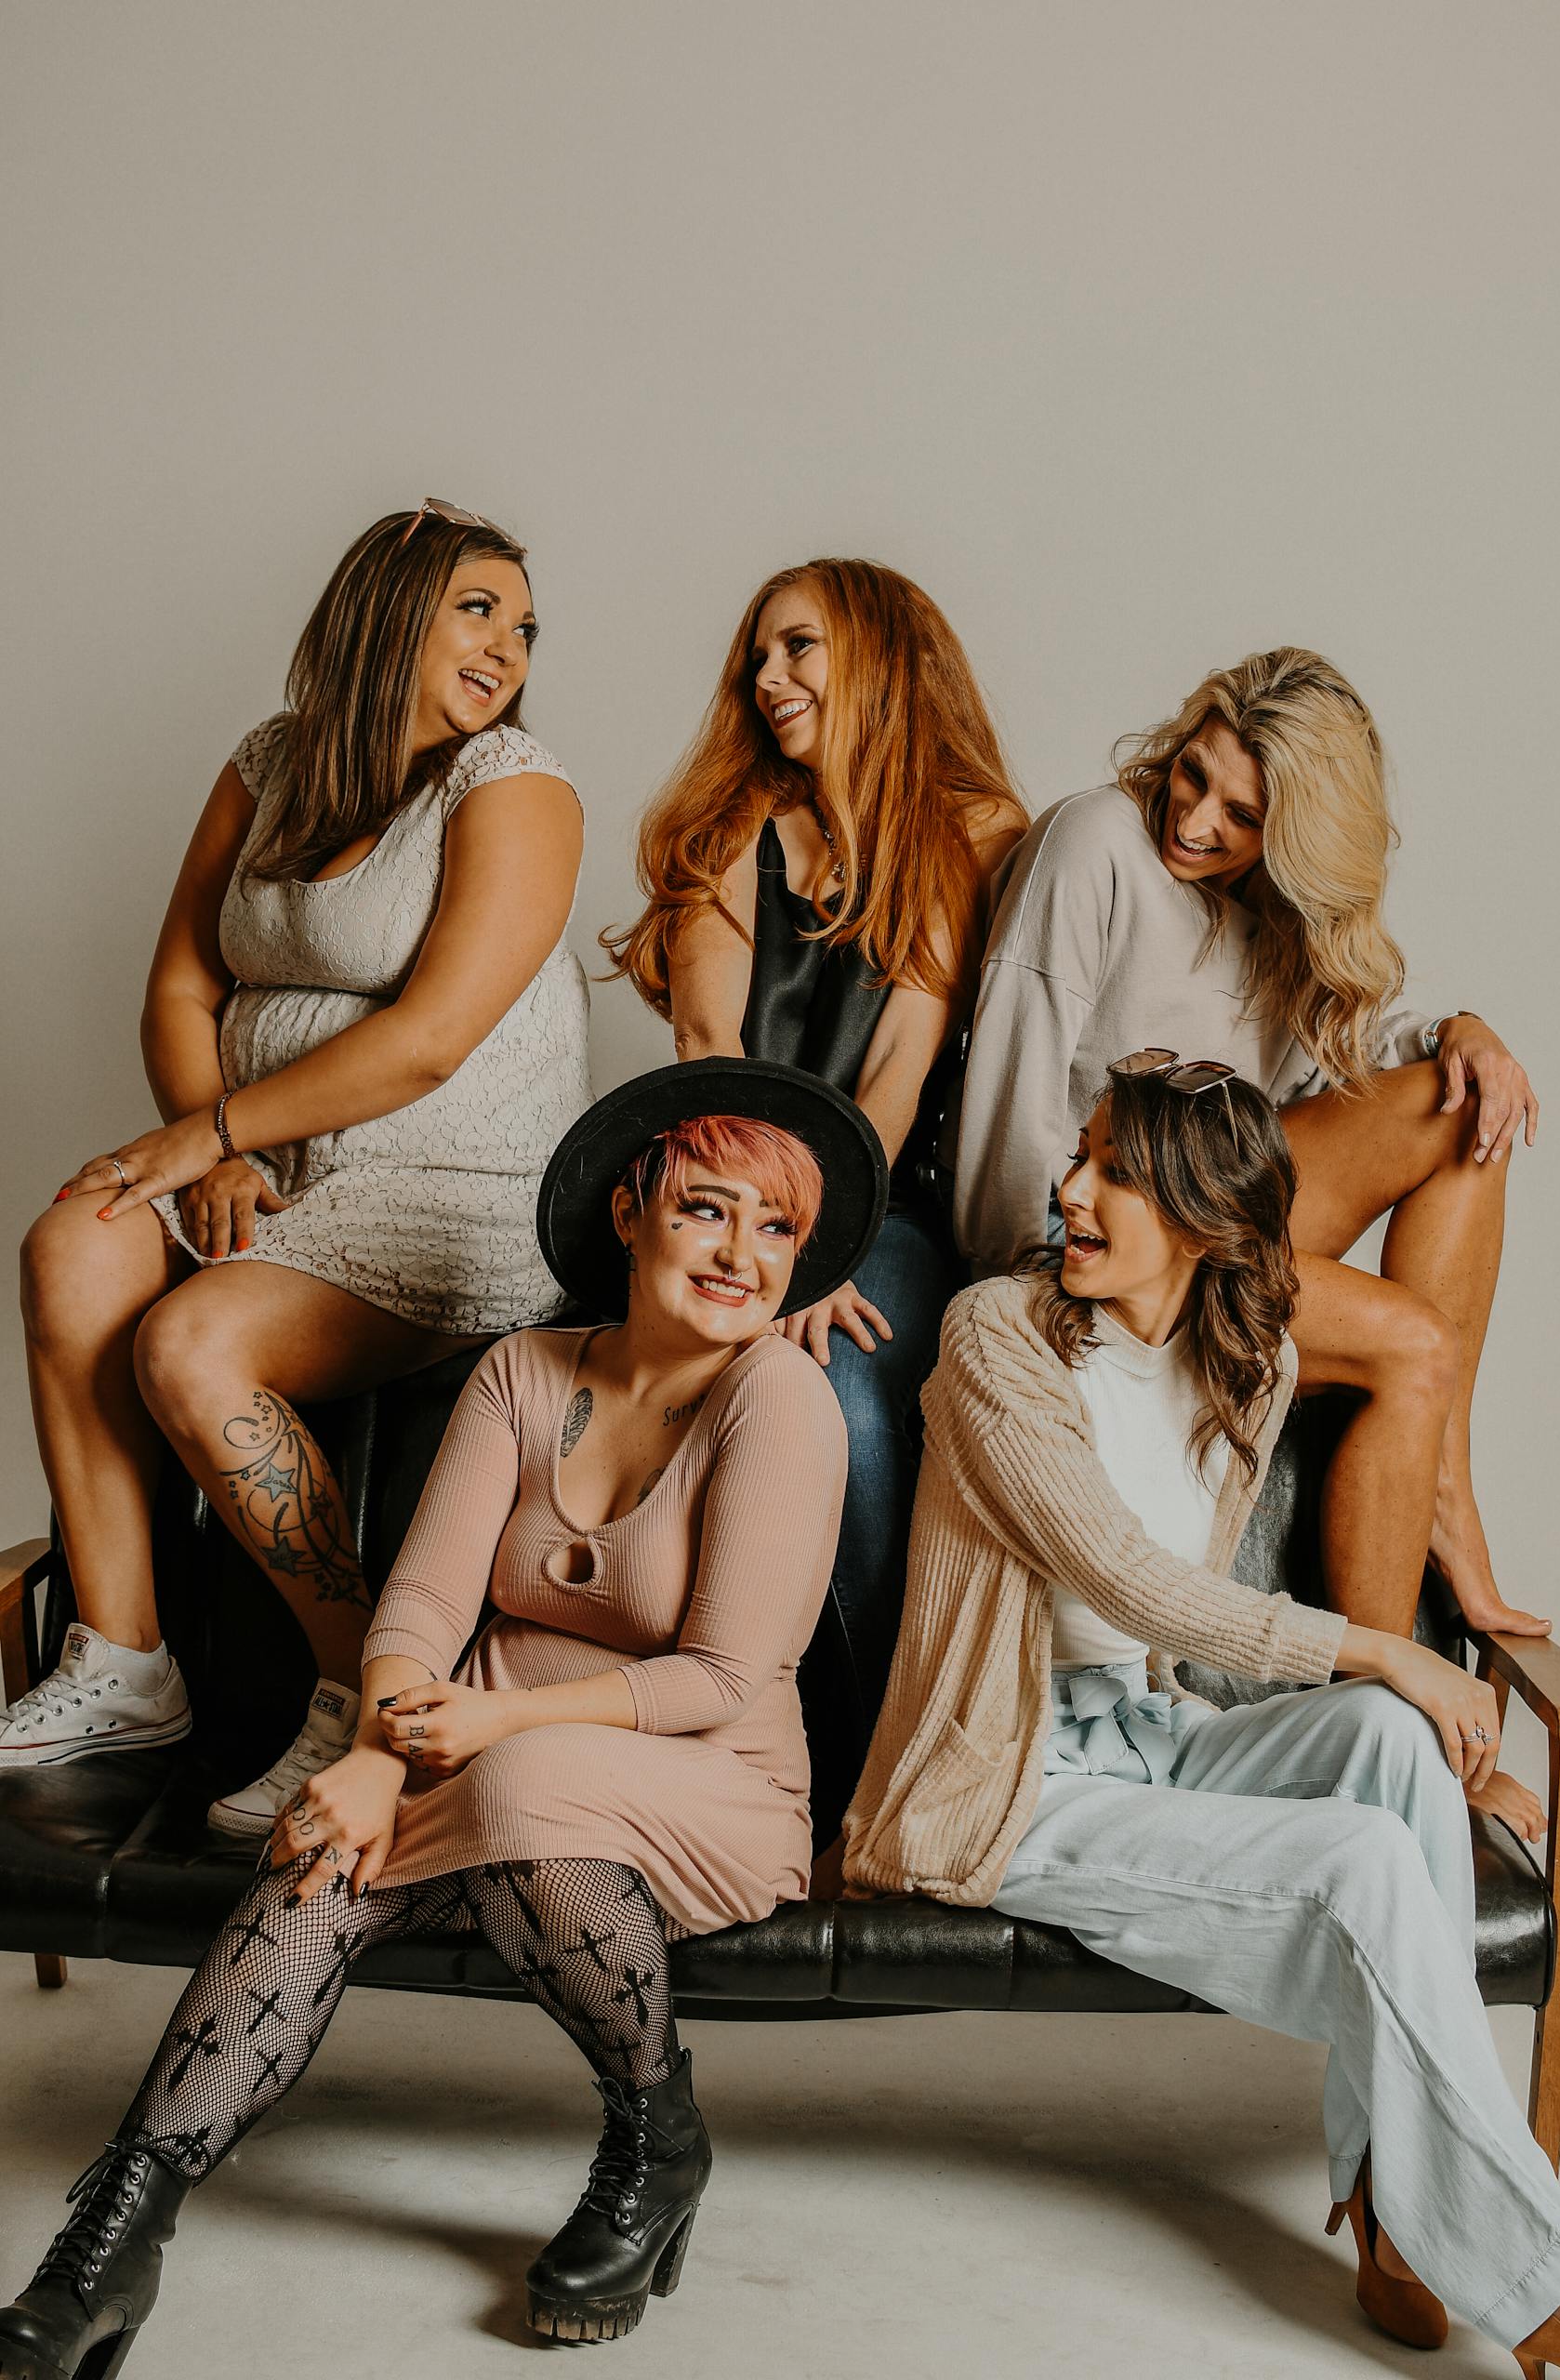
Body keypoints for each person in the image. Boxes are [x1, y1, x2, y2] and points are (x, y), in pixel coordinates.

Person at [0, 1062, 882, 2370]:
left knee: (521, 1803)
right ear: (631, 1210)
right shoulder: (522, 1373)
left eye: (775, 1231)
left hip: (704, 1780)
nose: (740, 1255)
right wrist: (368, 1760)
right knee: (317, 1857)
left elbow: (722, 1680)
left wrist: (486, 1732)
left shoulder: (778, 1401)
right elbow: (413, 1617)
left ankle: (654, 2137)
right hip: (476, 1753)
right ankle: (113, 2239)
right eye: (707, 1209)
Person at [846, 1057, 1560, 2375]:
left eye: (1114, 1174)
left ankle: (1380, 2195)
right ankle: (1542, 2287)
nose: (1068, 1191)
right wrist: (1381, 1648)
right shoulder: (992, 1338)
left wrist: (1386, 1689)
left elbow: (1162, 1643)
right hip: (1006, 1774)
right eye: (1080, 1160)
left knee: (1384, 1745)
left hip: (1148, 1740)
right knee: (1363, 1829)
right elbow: (1124, 1577)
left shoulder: (1245, 1365)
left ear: (1205, 1218)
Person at [4, 498, 591, 1838]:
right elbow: (180, 979)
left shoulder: (516, 785)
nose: (508, 645)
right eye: (478, 608)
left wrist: (217, 1135)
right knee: (73, 1242)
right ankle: (121, 1658)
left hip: (452, 1192)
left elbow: (429, 1040)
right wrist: (214, 1142)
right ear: (385, 612)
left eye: (524, 624)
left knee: (194, 1345)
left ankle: (363, 1688)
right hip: (268, 1164)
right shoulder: (270, 762)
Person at [951, 647, 1545, 1831]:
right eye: (1195, 775)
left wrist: (1469, 1027)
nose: (1195, 817)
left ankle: (1446, 1489)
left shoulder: (1277, 922)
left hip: (1217, 1211)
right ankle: (1415, 1726)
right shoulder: (1095, 846)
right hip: (1099, 1238)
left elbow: (1367, 1040)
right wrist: (1062, 1276)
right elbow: (1009, 1112)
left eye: (1242, 813)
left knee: (1461, 1096)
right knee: (1410, 1345)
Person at [602, 558, 1026, 1726]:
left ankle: (888, 1753)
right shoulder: (732, 828)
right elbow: (706, 1048)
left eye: (799, 647)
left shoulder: (974, 831)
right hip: (723, 1185)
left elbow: (899, 1065)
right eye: (759, 656)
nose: (767, 676)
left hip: (878, 1204)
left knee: (837, 1379)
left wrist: (822, 1246)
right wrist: (758, 1236)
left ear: (878, 656)